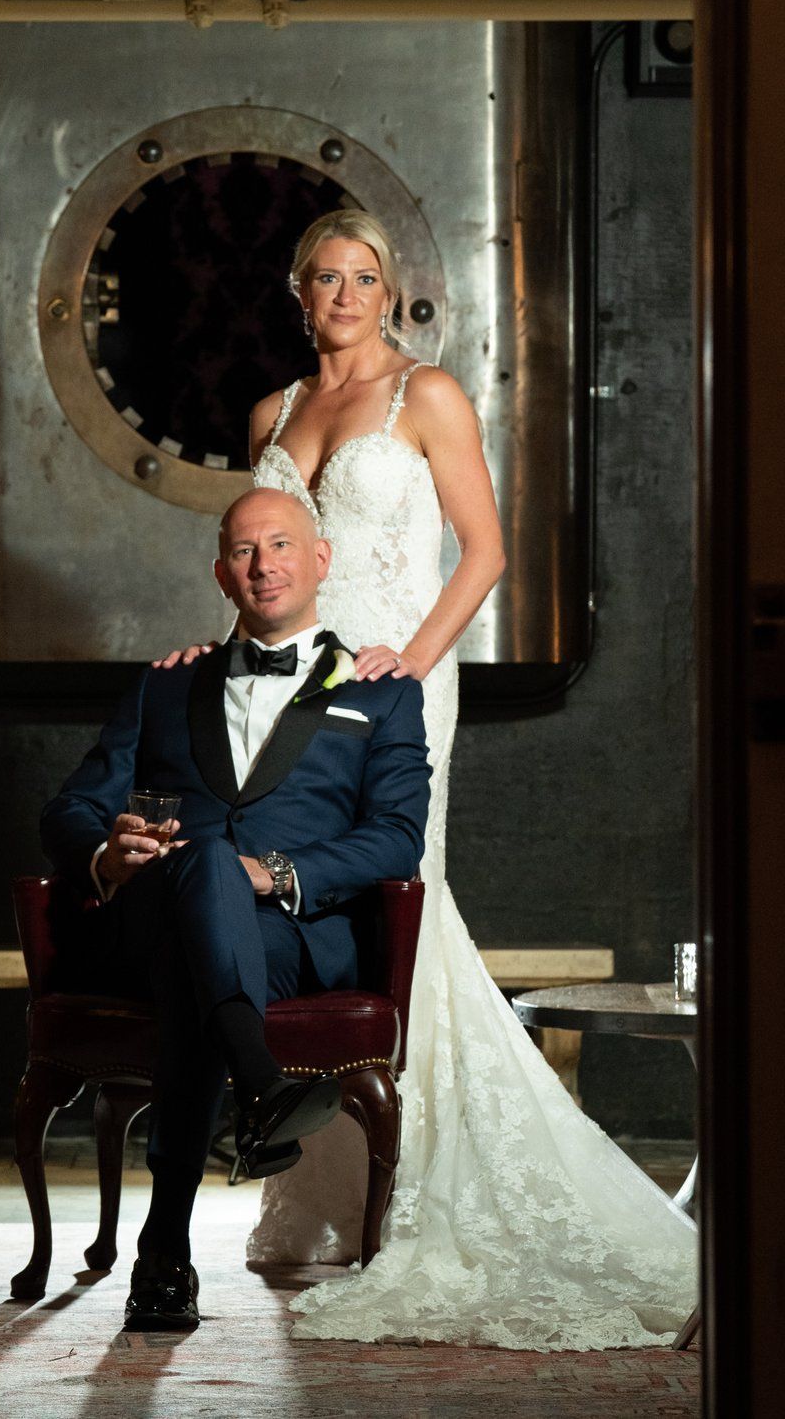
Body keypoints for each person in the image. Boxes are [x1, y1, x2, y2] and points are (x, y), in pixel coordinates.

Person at [158, 210, 698, 1349]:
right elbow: (262, 556)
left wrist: (416, 652)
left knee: (394, 896)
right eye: (324, 277)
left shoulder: (429, 397)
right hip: (286, 692)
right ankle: (326, 1166)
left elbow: (486, 547)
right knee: (296, 890)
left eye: (364, 278)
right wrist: (225, 670)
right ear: (296, 292)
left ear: (388, 293)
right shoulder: (275, 412)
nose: (344, 294)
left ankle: (422, 1181)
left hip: (396, 678)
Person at [40, 486, 431, 1331]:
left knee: (201, 947)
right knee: (200, 878)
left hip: (288, 931)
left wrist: (278, 872)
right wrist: (106, 854)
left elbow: (397, 840)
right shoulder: (165, 684)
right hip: (143, 921)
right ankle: (259, 1082)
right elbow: (69, 809)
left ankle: (163, 1252)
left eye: (282, 545)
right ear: (222, 574)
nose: (266, 564)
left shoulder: (383, 690)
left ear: (320, 560)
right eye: (246, 551)